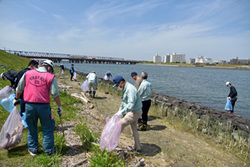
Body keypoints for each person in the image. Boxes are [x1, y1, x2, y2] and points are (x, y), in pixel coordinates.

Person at [14, 59, 62, 156]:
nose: (50, 72)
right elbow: (55, 93)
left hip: (29, 106)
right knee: (47, 128)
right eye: (51, 70)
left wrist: (16, 98)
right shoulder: (51, 77)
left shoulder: (28, 73)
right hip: (44, 107)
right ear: (49, 67)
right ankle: (49, 150)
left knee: (32, 127)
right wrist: (59, 106)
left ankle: (33, 149)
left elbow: (19, 88)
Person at [113, 75, 142, 152]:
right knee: (134, 129)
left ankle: (113, 144)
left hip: (134, 111)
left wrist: (122, 113)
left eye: (117, 85)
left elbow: (131, 104)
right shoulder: (126, 88)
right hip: (134, 111)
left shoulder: (130, 89)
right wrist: (119, 111)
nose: (117, 87)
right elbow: (124, 102)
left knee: (120, 125)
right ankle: (138, 147)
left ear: (121, 82)